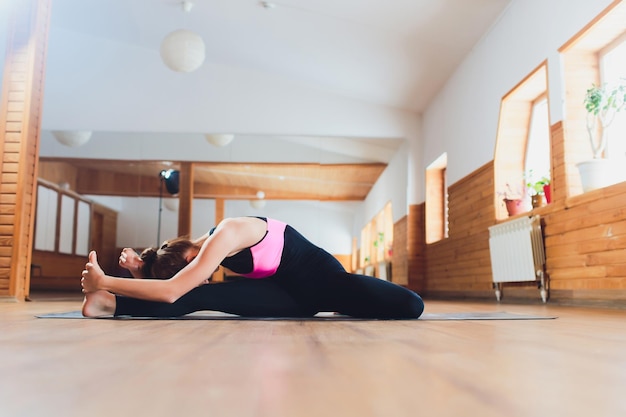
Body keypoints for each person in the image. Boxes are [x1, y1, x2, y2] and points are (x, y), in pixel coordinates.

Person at [81, 216, 424, 319]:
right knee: (200, 298)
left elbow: (172, 289)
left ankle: (107, 293)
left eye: (187, 270)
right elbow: (176, 287)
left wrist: (104, 278)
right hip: (291, 300)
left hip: (327, 284)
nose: (197, 273)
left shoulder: (228, 233)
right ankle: (108, 304)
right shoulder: (197, 251)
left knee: (411, 305)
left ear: (186, 258)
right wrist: (139, 270)